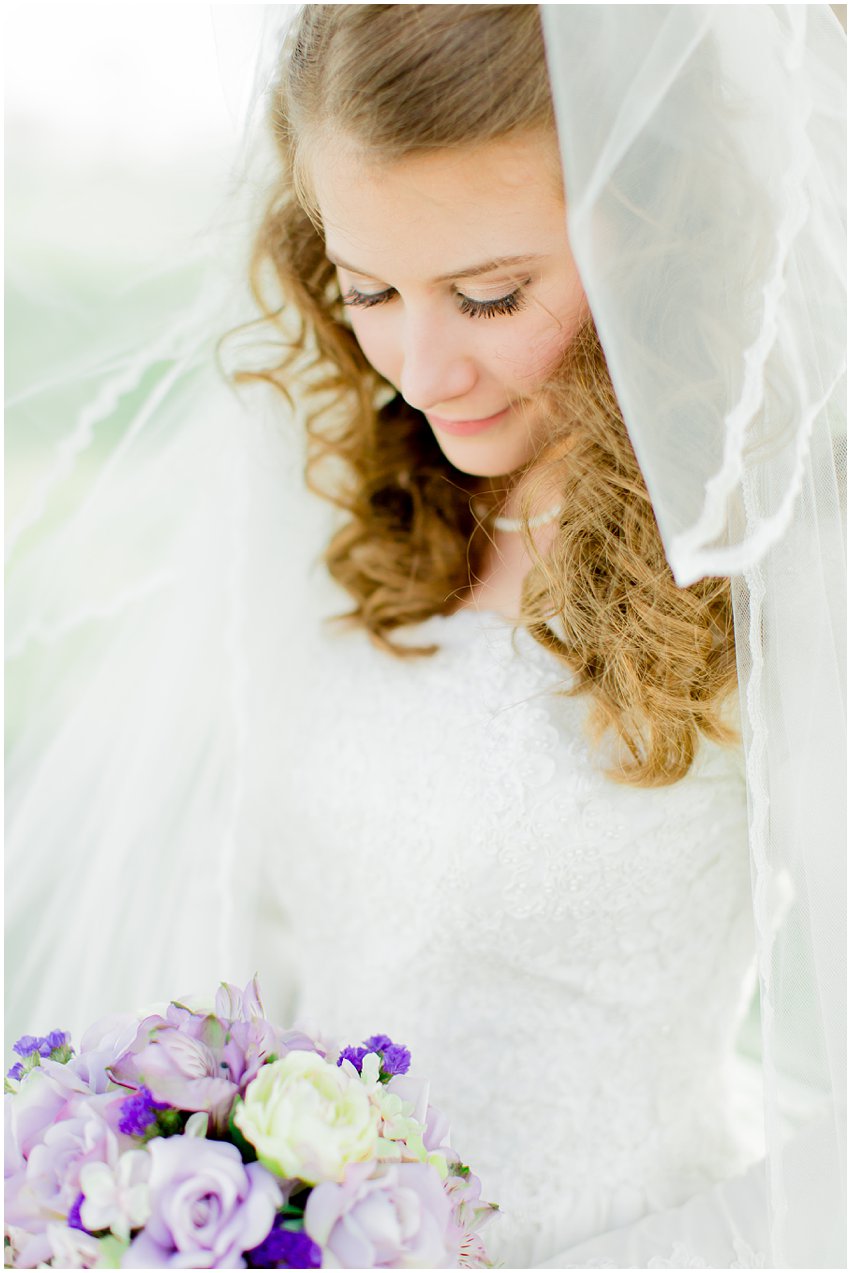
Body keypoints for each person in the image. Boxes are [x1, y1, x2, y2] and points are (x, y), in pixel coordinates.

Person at [6, 5, 844, 1269]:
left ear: (648, 236)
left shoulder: (770, 558)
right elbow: (259, 939)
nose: (419, 370)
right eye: (368, 289)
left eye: (491, 296)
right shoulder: (338, 478)